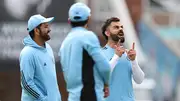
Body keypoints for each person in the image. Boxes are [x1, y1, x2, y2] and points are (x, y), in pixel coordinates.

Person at [59, 2, 124, 101]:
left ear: (69, 21)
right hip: (90, 95)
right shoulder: (89, 37)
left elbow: (66, 74)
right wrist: (106, 83)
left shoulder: (64, 43)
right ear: (88, 19)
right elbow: (104, 66)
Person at [101, 17, 145, 101]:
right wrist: (116, 57)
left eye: (121, 27)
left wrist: (134, 61)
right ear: (107, 33)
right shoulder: (100, 54)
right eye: (116, 27)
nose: (120, 29)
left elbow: (139, 80)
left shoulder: (128, 54)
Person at [19, 14, 61, 101]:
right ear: (36, 31)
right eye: (45, 27)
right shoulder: (27, 53)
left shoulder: (48, 48)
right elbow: (26, 84)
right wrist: (43, 99)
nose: (49, 29)